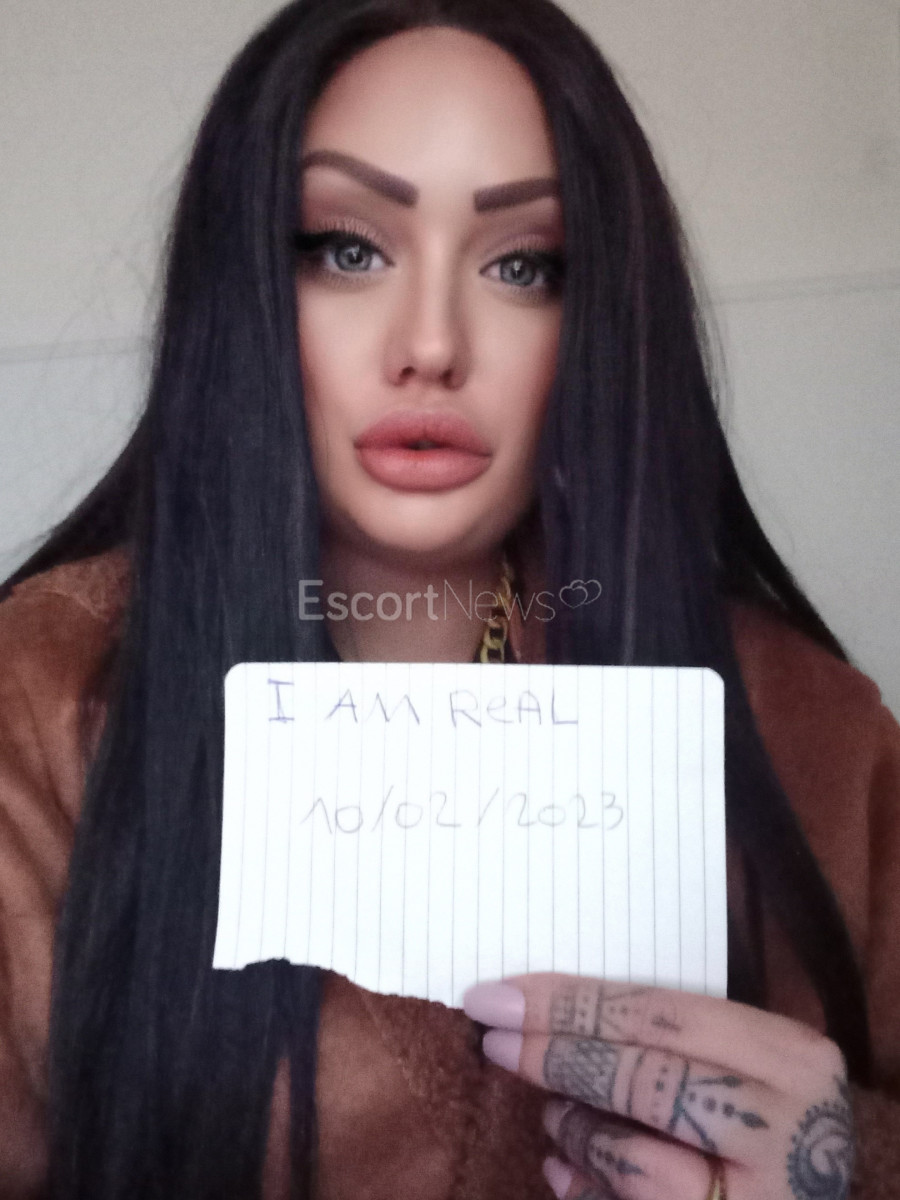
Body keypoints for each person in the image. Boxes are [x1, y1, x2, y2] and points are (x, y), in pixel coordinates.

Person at [1, 0, 898, 1197]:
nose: (431, 343)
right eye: (346, 249)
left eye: (524, 266)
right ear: (244, 285)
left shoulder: (813, 731)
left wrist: (850, 1164)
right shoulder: (42, 703)